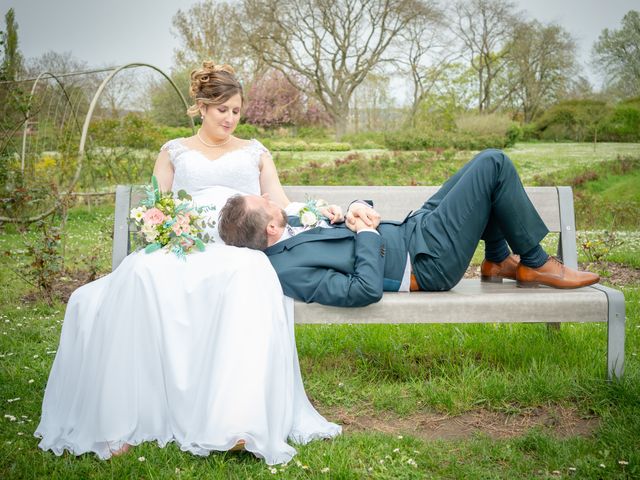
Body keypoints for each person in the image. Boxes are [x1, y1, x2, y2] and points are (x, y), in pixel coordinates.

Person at [35, 61, 341, 465]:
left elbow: (280, 205)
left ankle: (237, 422)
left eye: (236, 110)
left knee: (250, 275)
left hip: (235, 250)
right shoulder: (174, 151)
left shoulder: (256, 153)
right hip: (185, 246)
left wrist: (322, 213)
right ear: (200, 106)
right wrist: (164, 227)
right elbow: (154, 207)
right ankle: (124, 419)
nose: (230, 118)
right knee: (141, 272)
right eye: (222, 110)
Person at [218, 149, 599, 307]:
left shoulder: (290, 224)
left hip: (416, 230)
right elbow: (363, 289)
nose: (272, 198)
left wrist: (354, 209)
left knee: (480, 176)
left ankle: (497, 260)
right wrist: (366, 235)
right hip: (424, 264)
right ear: (268, 228)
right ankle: (534, 262)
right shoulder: (288, 271)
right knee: (494, 164)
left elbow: (350, 218)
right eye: (265, 202)